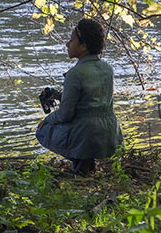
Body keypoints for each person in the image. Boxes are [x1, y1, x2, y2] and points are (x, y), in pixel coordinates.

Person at [36, 18, 123, 174]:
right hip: (109, 134)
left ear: (83, 46)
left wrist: (46, 120)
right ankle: (88, 163)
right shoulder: (108, 69)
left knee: (43, 130)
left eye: (72, 40)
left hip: (86, 135)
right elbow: (89, 102)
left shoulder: (74, 74)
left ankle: (81, 161)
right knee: (85, 124)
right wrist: (58, 95)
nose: (67, 44)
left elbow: (65, 115)